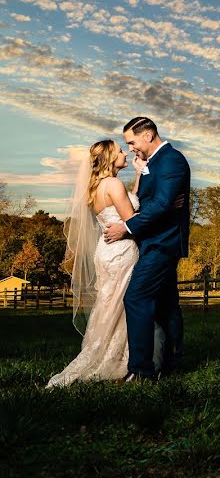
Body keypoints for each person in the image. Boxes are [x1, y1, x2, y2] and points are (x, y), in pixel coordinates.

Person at [47, 140, 162, 387]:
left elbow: (126, 203)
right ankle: (123, 358)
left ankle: (105, 351)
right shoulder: (114, 184)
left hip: (106, 250)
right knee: (127, 302)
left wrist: (140, 174)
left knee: (111, 301)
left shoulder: (98, 186)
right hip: (121, 250)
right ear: (110, 157)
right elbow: (132, 218)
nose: (125, 152)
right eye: (120, 151)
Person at [104, 117, 191, 381]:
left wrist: (127, 227)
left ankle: (141, 371)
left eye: (132, 142)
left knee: (136, 298)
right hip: (155, 240)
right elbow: (156, 201)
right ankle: (172, 364)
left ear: (149, 135)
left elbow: (162, 204)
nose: (130, 148)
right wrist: (143, 172)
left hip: (162, 243)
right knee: (166, 305)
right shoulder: (156, 163)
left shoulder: (172, 160)